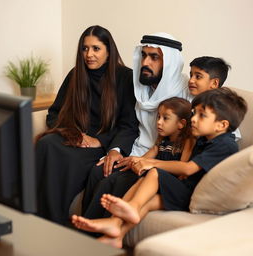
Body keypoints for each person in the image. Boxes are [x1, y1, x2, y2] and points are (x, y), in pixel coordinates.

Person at [71, 87, 248, 248]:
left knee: (155, 173)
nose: (193, 119)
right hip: (184, 192)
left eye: (202, 115)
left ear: (222, 125)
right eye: (194, 113)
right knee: (147, 199)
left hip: (190, 194)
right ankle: (117, 232)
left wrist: (152, 163)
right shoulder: (205, 139)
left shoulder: (225, 144)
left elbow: (188, 169)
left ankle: (131, 207)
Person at [35, 25, 139, 225]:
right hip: (73, 137)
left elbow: (129, 124)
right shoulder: (76, 74)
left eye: (96, 48)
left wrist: (100, 142)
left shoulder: (126, 77)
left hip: (101, 144)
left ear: (109, 51)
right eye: (85, 49)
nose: (89, 54)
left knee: (68, 159)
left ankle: (56, 223)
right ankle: (35, 216)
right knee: (45, 144)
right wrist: (72, 133)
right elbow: (54, 113)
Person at [81, 32, 191, 219]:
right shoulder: (140, 88)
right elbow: (128, 125)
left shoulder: (187, 91)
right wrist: (117, 150)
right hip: (138, 150)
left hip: (164, 158)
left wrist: (145, 161)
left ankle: (91, 235)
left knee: (114, 181)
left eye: (154, 57)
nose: (145, 63)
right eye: (144, 55)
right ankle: (82, 228)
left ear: (170, 62)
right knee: (98, 170)